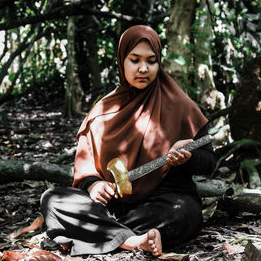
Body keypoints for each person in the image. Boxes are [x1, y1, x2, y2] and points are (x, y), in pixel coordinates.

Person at [40, 25, 216, 257]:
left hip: (163, 202)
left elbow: (210, 162)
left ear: (159, 63)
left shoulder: (182, 107)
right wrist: (93, 184)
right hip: (111, 206)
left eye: (151, 61)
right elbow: (85, 167)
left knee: (185, 214)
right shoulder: (103, 110)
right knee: (53, 199)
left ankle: (102, 234)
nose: (143, 68)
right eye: (135, 60)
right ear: (122, 61)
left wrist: (188, 158)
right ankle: (133, 240)